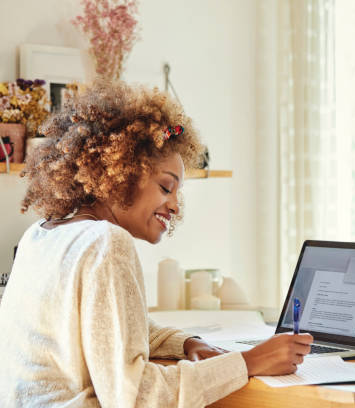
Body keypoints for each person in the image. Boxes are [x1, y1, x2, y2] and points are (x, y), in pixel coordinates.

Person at [0, 80, 313, 407]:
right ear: (120, 175)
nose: (176, 205)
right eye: (166, 187)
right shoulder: (105, 242)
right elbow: (135, 397)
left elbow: (112, 328)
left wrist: (187, 343)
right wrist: (249, 362)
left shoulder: (42, 235)